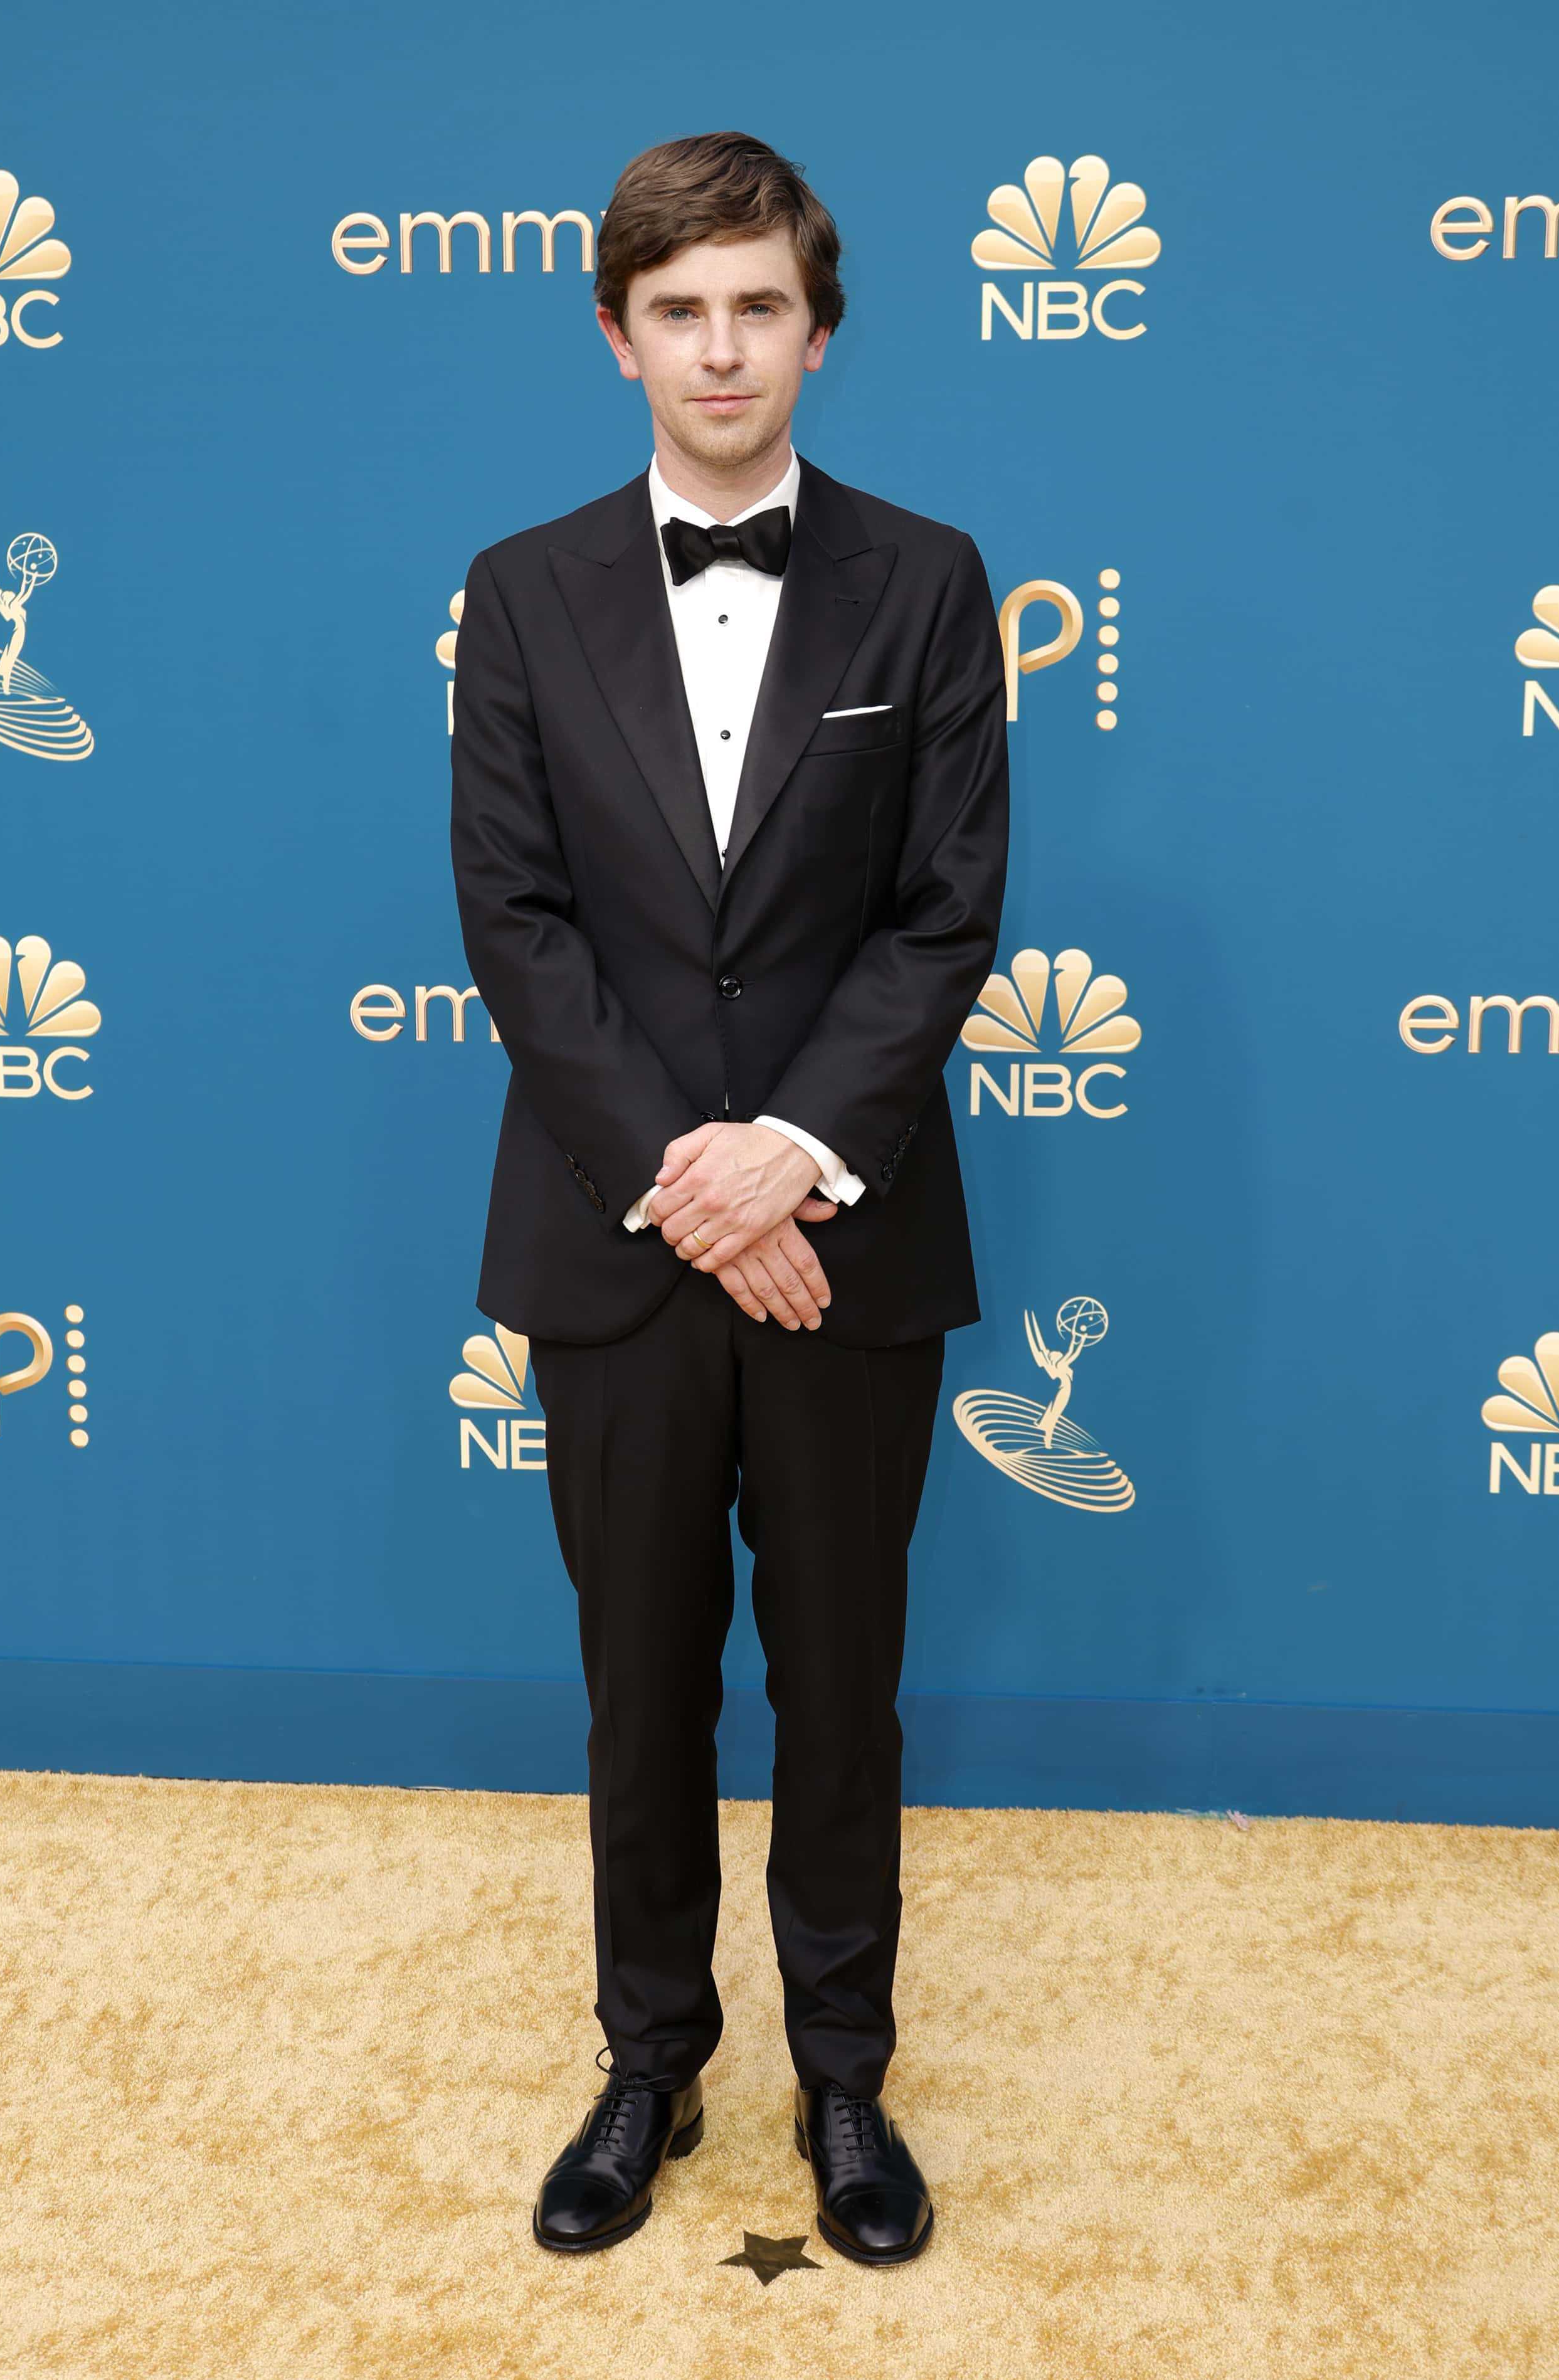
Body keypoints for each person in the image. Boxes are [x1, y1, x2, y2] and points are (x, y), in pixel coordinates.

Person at [451, 129, 1008, 2266]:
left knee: (846, 1673)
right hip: (611, 1244)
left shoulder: (928, 578)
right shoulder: (517, 590)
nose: (718, 346)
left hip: (846, 1237)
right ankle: (649, 2058)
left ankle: (844, 2079)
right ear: (616, 336)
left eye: (755, 304)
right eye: (676, 310)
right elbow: (515, 919)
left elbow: (944, 915)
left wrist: (792, 1154)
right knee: (639, 1675)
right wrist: (692, 1181)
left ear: (819, 327)